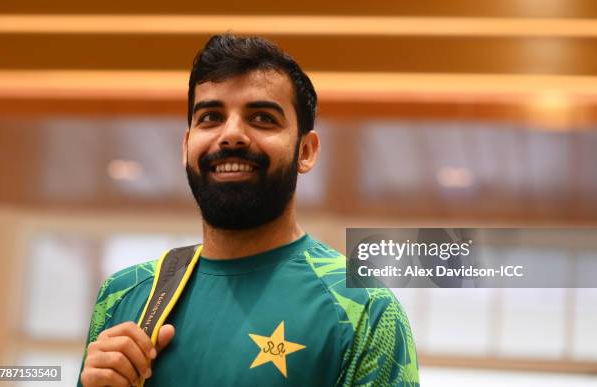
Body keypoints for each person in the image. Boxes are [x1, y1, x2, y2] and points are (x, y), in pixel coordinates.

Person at [78, 34, 420, 387]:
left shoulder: (363, 308)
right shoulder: (125, 295)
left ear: (306, 151)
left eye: (262, 118)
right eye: (210, 117)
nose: (232, 135)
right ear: (186, 146)